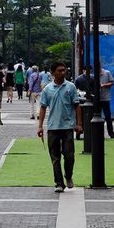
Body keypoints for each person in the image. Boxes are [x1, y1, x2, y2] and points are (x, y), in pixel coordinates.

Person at [37, 62, 82, 193]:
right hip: (53, 127)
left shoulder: (71, 87)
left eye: (64, 70)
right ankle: (59, 183)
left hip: (68, 126)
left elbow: (77, 105)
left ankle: (68, 176)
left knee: (69, 156)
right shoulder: (47, 89)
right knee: (55, 157)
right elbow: (43, 107)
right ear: (53, 73)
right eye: (59, 71)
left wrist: (79, 124)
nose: (63, 73)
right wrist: (40, 126)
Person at [98, 65, 114, 138]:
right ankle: (99, 134)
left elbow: (112, 83)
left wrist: (103, 85)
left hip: (106, 98)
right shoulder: (93, 74)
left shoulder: (107, 73)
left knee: (108, 117)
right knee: (97, 117)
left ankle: (111, 133)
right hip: (97, 99)